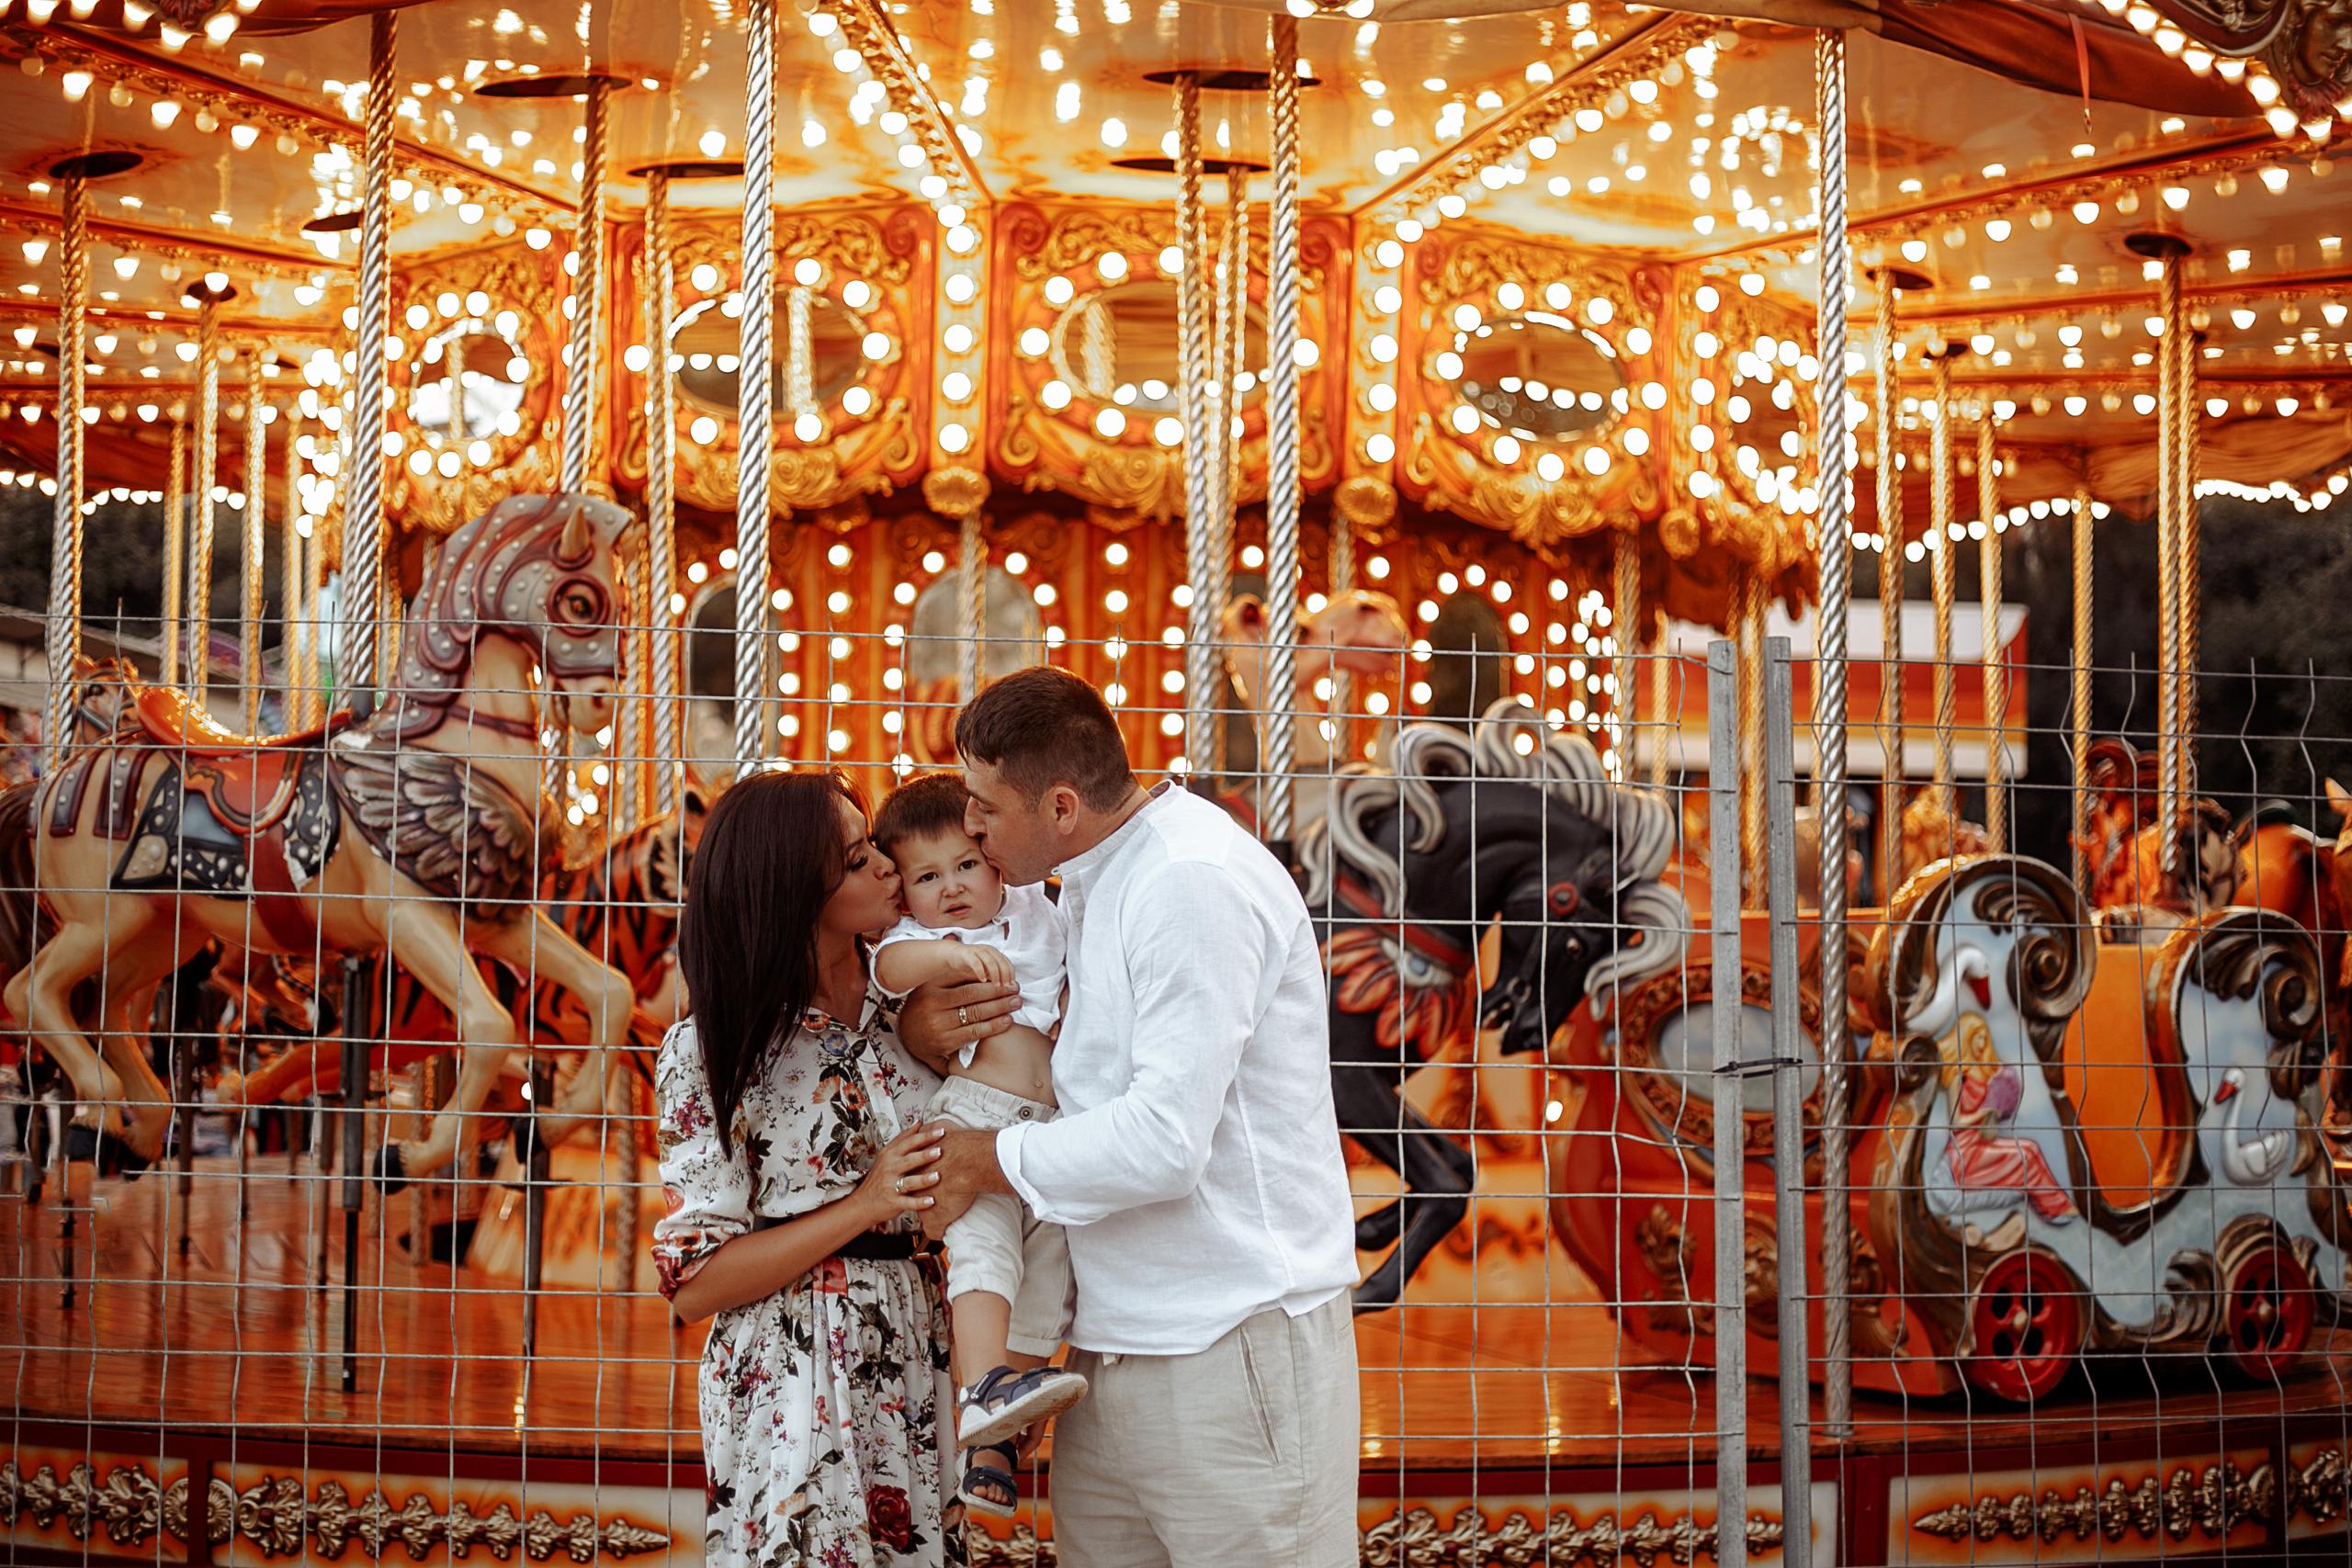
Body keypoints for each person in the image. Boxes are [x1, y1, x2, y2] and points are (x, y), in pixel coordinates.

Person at [912, 665, 1362, 1568]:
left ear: (1062, 807)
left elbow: (1163, 1143)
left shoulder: (1187, 883)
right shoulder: (1084, 879)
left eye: (984, 807)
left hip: (1232, 1342)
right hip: (1114, 1345)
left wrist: (980, 1160)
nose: (969, 826)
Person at [651, 769, 963, 1568]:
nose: (889, 868)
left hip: (915, 1349)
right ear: (798, 889)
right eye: (860, 859)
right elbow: (695, 1285)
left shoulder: (917, 1007)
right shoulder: (714, 1050)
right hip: (791, 1366)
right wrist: (865, 1202)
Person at [869, 772, 1089, 1520]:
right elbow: (889, 968)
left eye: (966, 864)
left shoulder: (1037, 907)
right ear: (903, 892)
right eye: (927, 877)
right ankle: (985, 1379)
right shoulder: (922, 939)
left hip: (1051, 1128)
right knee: (985, 1250)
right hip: (974, 1114)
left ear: (995, 860)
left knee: (1052, 1270)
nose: (953, 888)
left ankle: (993, 1434)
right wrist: (949, 958)